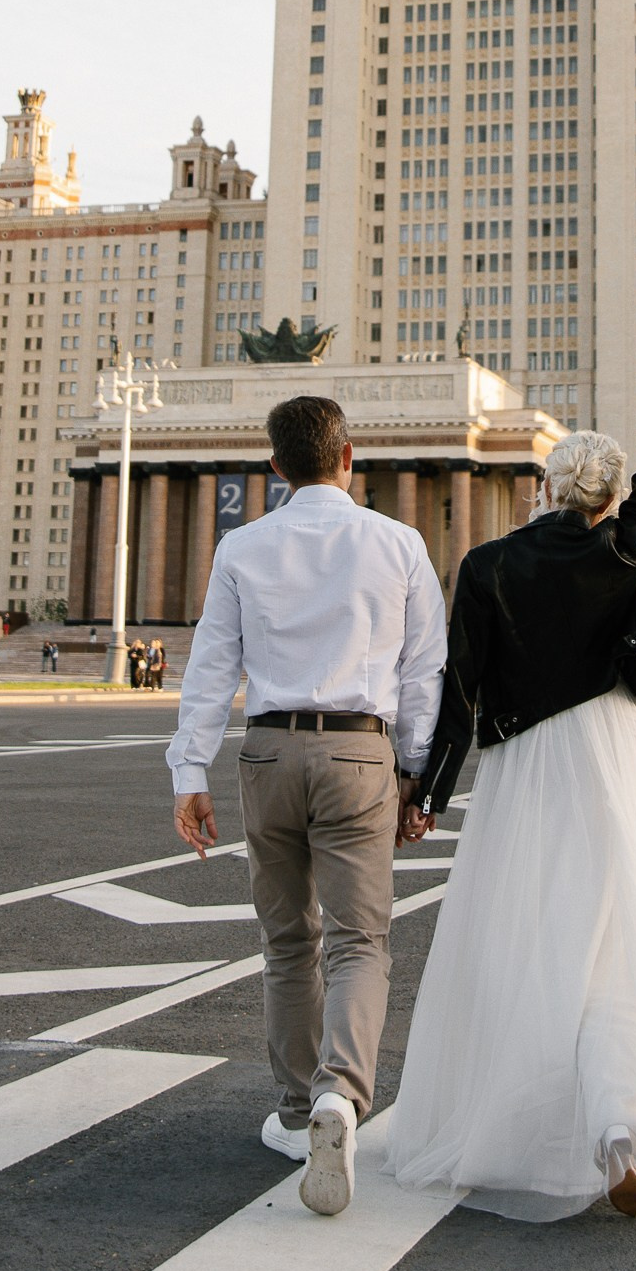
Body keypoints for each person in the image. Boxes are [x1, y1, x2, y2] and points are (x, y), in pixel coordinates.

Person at [384, 300, 636, 1226]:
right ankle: (620, 1131)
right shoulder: (624, 546)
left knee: (527, 938)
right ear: (608, 500)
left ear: (544, 487)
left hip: (527, 768)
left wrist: (425, 794)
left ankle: (516, 1123)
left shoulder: (488, 566)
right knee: (615, 937)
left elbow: (459, 692)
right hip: (616, 752)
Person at [170, 391, 446, 1220]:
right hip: (361, 749)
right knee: (361, 941)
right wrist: (418, 776)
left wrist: (190, 772)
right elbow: (422, 673)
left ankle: (297, 1114)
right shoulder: (398, 543)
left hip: (269, 748)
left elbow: (211, 666)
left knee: (289, 941)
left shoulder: (242, 545)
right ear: (350, 455)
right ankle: (341, 1099)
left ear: (275, 468)